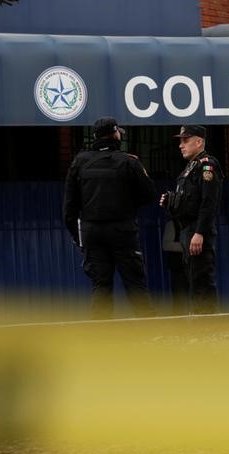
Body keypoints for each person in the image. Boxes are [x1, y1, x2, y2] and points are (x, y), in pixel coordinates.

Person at [63, 117, 157, 319]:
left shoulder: (79, 162)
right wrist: (127, 205)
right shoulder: (129, 162)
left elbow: (69, 208)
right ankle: (152, 334)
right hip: (123, 230)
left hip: (91, 233)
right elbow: (149, 195)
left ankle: (101, 338)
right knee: (135, 283)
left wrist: (78, 238)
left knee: (101, 285)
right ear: (115, 134)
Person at [159, 125, 224, 314]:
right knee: (193, 278)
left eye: (185, 140)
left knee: (202, 278)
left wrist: (200, 233)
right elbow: (188, 203)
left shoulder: (207, 165)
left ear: (199, 142)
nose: (181, 145)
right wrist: (170, 202)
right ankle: (199, 318)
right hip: (188, 230)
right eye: (180, 141)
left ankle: (206, 323)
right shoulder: (190, 168)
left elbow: (208, 202)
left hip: (197, 230)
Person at [161, 219, 188, 314]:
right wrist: (186, 247)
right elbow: (166, 245)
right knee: (179, 301)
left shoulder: (196, 223)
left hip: (194, 268)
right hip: (178, 269)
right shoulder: (172, 224)